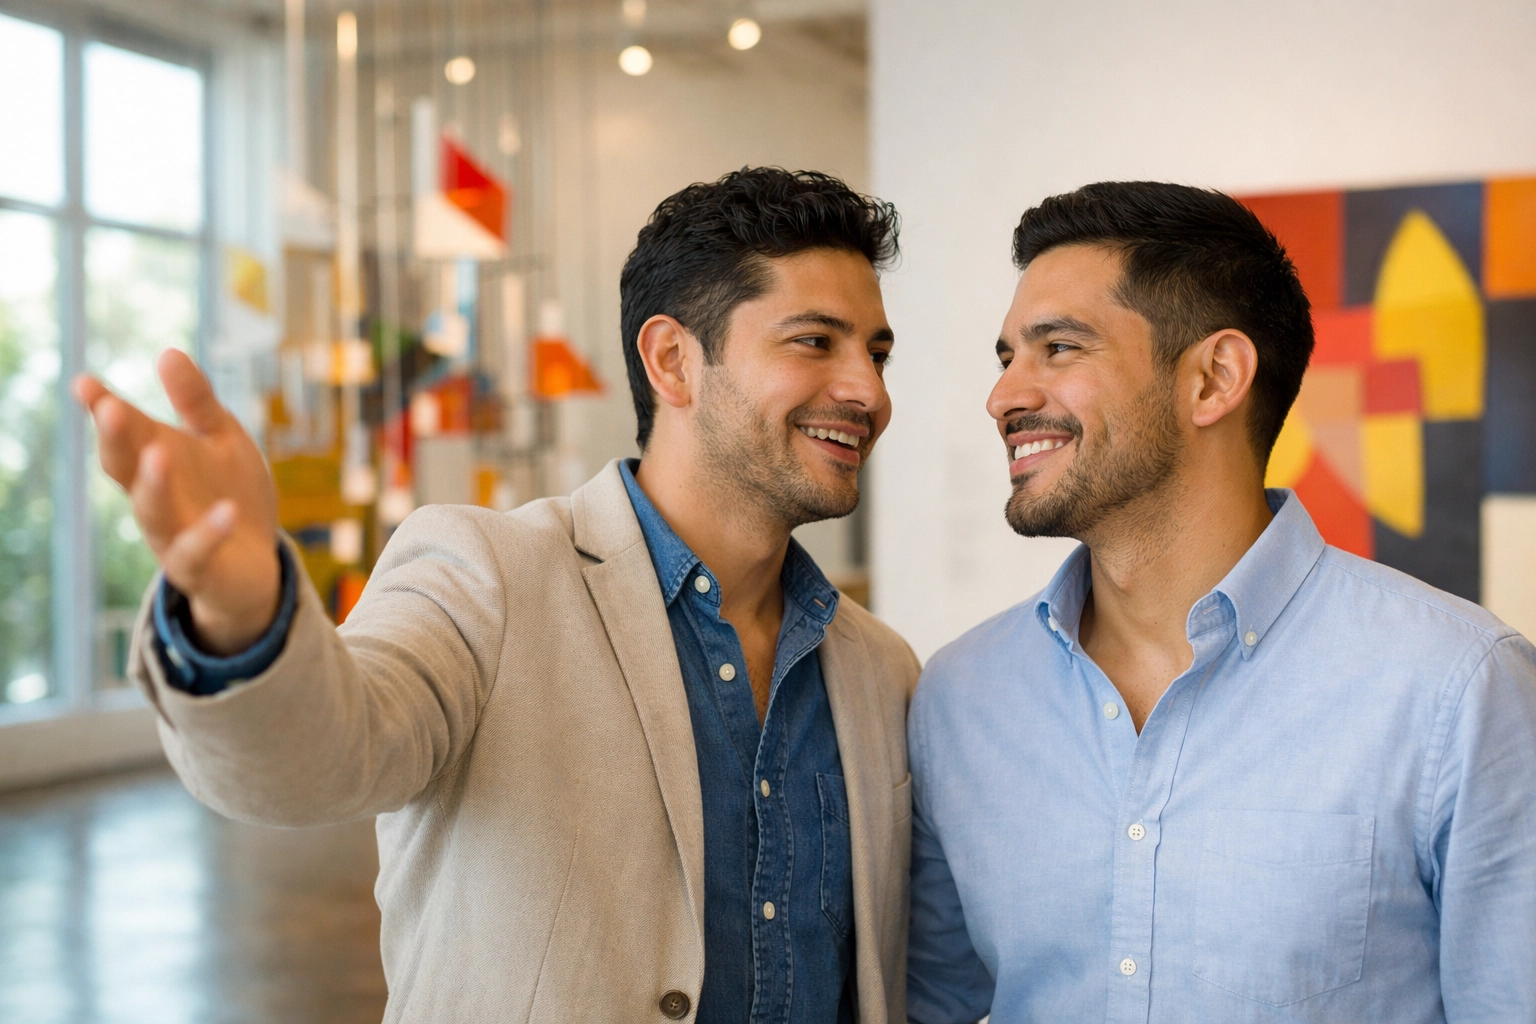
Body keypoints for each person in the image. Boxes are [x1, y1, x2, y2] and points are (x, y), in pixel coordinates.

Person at [77, 167, 920, 1023]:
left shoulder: (881, 671)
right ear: (673, 361)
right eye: (816, 342)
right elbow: (327, 757)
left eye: (877, 352)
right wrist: (239, 619)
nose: (869, 391)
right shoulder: (486, 574)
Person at [905, 181, 1536, 1023]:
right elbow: (924, 1004)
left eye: (1057, 348)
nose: (1005, 396)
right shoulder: (959, 699)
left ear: (1214, 379)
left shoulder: (1458, 688)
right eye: (1007, 355)